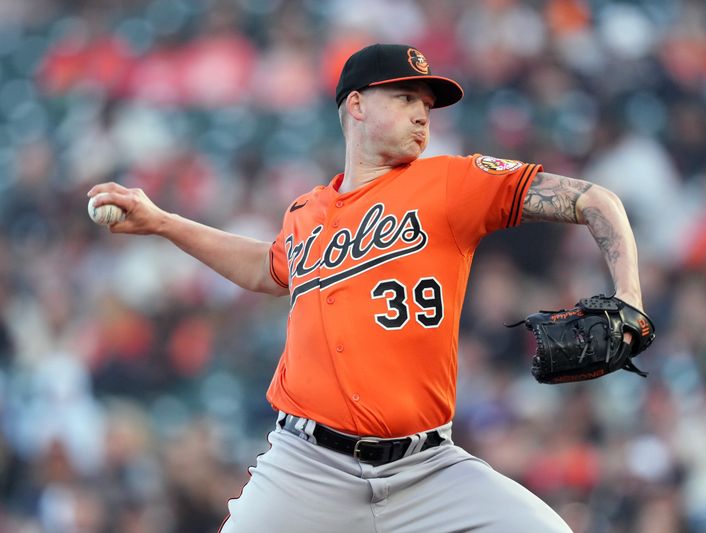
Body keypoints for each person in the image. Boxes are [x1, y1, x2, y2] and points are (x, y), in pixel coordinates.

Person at [88, 44, 646, 532]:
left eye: (426, 104)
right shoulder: (307, 211)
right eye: (405, 98)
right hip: (306, 468)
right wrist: (163, 222)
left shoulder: (453, 182)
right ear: (356, 104)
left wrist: (630, 299)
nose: (422, 114)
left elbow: (595, 199)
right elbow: (268, 269)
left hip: (427, 469)